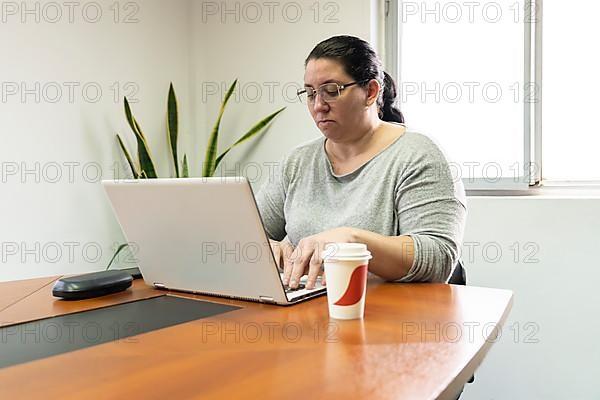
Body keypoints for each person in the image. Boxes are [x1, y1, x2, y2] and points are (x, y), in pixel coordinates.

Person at [255, 35, 467, 290]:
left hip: (390, 318)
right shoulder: (297, 162)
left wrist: (353, 240)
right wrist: (266, 247)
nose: (318, 105)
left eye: (331, 91)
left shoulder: (417, 155)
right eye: (310, 94)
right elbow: (247, 234)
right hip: (310, 312)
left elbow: (438, 257)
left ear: (371, 92)